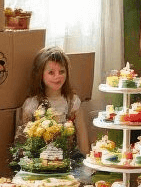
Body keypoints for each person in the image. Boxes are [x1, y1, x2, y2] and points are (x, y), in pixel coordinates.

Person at [16, 46, 90, 175]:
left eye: (62, 72)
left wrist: (88, 165)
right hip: (40, 163)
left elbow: (83, 142)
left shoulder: (72, 102)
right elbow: (23, 142)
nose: (57, 77)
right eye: (51, 72)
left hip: (69, 161)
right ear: (40, 74)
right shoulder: (32, 104)